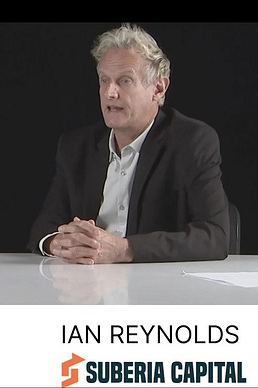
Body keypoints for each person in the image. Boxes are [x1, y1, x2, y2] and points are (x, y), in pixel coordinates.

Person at [27, 23, 229, 264]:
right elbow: (44, 228)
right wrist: (61, 243)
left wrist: (125, 249)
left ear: (158, 88)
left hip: (158, 284)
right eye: (104, 80)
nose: (110, 93)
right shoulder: (76, 147)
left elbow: (214, 237)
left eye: (124, 81)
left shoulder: (192, 142)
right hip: (85, 280)